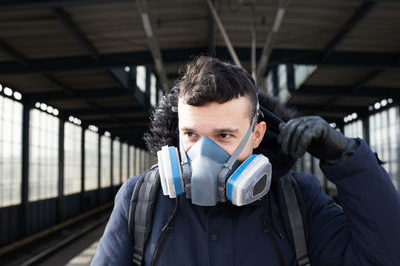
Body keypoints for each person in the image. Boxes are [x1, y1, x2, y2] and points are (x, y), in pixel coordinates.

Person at [91, 56, 400, 266]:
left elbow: (386, 256)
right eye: (191, 134)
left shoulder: (296, 200)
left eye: (224, 135)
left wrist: (348, 159)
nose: (203, 152)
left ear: (256, 134)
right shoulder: (141, 198)